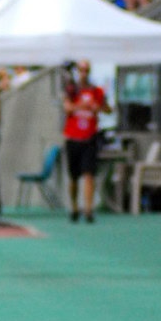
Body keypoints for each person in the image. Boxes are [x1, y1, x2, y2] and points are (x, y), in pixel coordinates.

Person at [62, 61, 107, 222]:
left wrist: (97, 107)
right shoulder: (71, 91)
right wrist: (81, 104)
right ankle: (74, 206)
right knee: (74, 176)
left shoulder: (96, 91)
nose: (84, 73)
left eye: (87, 70)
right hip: (73, 138)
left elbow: (106, 108)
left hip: (89, 138)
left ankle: (88, 209)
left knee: (89, 174)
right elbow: (67, 108)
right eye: (81, 70)